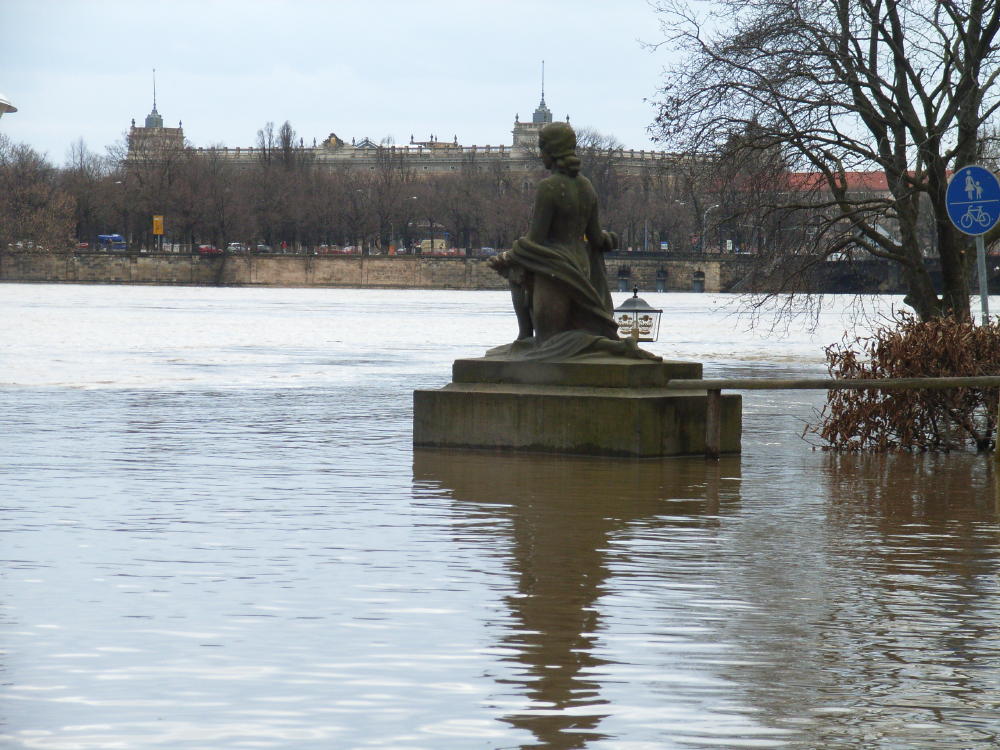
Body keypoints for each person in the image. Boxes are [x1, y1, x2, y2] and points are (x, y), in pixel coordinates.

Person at [488, 121, 657, 360]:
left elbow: (535, 239)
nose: (540, 153)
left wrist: (508, 256)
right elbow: (598, 238)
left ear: (550, 151)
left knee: (549, 345)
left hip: (555, 268)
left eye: (541, 147)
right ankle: (532, 339)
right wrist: (611, 238)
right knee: (566, 333)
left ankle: (613, 347)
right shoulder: (586, 186)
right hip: (581, 266)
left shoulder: (549, 187)